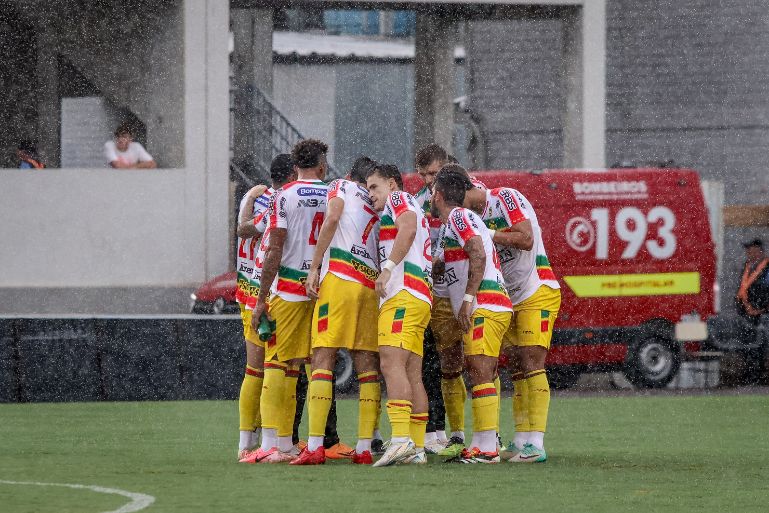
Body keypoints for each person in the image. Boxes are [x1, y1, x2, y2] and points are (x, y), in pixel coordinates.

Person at [458, 166, 561, 463]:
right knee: (516, 367)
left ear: (470, 189)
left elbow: (526, 238)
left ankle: (537, 443)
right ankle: (520, 439)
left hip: (536, 289)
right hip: (509, 297)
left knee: (532, 361)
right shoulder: (470, 218)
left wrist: (488, 232)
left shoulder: (504, 198)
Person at [291, 156, 382, 466]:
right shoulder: (376, 203)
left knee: (323, 357)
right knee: (367, 367)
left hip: (341, 278)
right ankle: (365, 447)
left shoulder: (339, 186)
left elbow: (332, 218)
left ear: (347, 175)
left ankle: (316, 446)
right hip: (369, 285)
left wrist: (315, 266)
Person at [248, 139, 329, 464]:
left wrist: (262, 297)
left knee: (276, 363)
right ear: (322, 166)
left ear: (295, 166)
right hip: (321, 288)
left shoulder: (285, 195)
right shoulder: (332, 193)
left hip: (290, 289)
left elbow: (275, 246)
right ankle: (289, 443)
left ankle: (270, 443)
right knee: (300, 368)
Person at [431, 166, 512, 464]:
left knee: (480, 370)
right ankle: (481, 444)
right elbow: (462, 257)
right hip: (494, 302)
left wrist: (467, 300)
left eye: (432, 191)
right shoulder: (461, 220)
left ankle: (488, 448)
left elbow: (476, 253)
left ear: (438, 195)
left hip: (485, 303)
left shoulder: (457, 216)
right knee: (482, 371)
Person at [366, 164, 433, 467]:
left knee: (390, 363)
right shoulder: (411, 205)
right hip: (420, 295)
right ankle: (416, 447)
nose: (371, 195)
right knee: (412, 374)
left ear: (392, 184)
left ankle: (401, 439)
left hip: (402, 294)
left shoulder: (399, 200)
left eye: (374, 187)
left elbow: (408, 227)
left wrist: (388, 268)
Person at [233, 155, 287, 462]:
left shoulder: (253, 197)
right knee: (274, 368)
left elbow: (241, 229)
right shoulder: (276, 201)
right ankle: (273, 440)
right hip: (265, 291)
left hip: (246, 289)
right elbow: (248, 231)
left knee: (254, 369)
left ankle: (246, 441)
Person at [412, 144, 451, 454]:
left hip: (464, 289)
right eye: (424, 174)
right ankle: (434, 430)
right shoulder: (417, 203)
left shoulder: (470, 194)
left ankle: (480, 436)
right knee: (429, 363)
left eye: (434, 174)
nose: (428, 180)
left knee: (474, 364)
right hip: (431, 292)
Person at [736, 239, 769, 320]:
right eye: (749, 253)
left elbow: (764, 289)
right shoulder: (748, 267)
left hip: (762, 314)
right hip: (747, 313)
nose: (751, 255)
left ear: (761, 252)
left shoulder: (767, 268)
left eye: (754, 252)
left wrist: (762, 310)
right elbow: (743, 288)